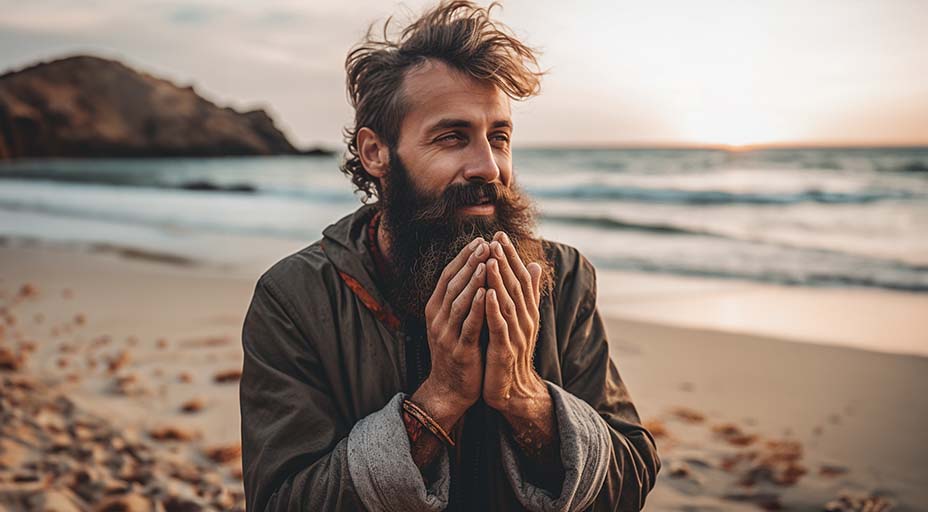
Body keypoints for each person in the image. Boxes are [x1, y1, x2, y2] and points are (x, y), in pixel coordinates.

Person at [240, 1, 661, 510]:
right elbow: (281, 500)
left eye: (499, 137)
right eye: (452, 137)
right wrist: (438, 399)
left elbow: (631, 475)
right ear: (376, 153)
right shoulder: (295, 298)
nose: (489, 167)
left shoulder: (564, 279)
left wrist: (525, 398)